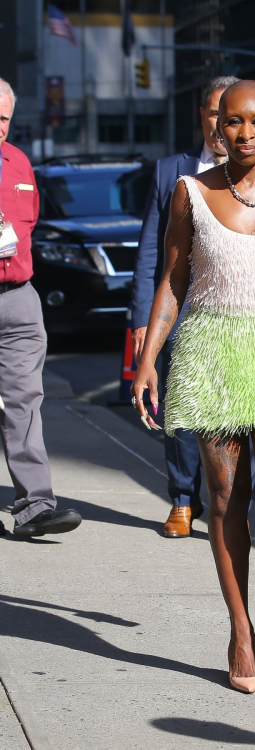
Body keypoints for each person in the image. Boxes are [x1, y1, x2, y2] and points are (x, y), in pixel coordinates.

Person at [131, 80, 255, 693]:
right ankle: (239, 627)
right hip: (211, 356)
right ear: (215, 125)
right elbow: (172, 278)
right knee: (223, 499)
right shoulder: (191, 193)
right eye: (232, 122)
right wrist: (148, 359)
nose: (243, 133)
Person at [131, 76, 240, 539]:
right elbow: (149, 255)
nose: (221, 124)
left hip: (235, 316)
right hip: (178, 313)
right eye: (215, 113)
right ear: (202, 115)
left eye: (229, 114)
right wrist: (141, 323)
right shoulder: (170, 171)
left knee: (229, 412)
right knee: (179, 412)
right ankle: (181, 498)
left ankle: (228, 498)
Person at [0, 79, 81, 537]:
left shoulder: (19, 162)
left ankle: (35, 506)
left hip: (19, 301)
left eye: (4, 118)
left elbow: (24, 228)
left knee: (24, 404)